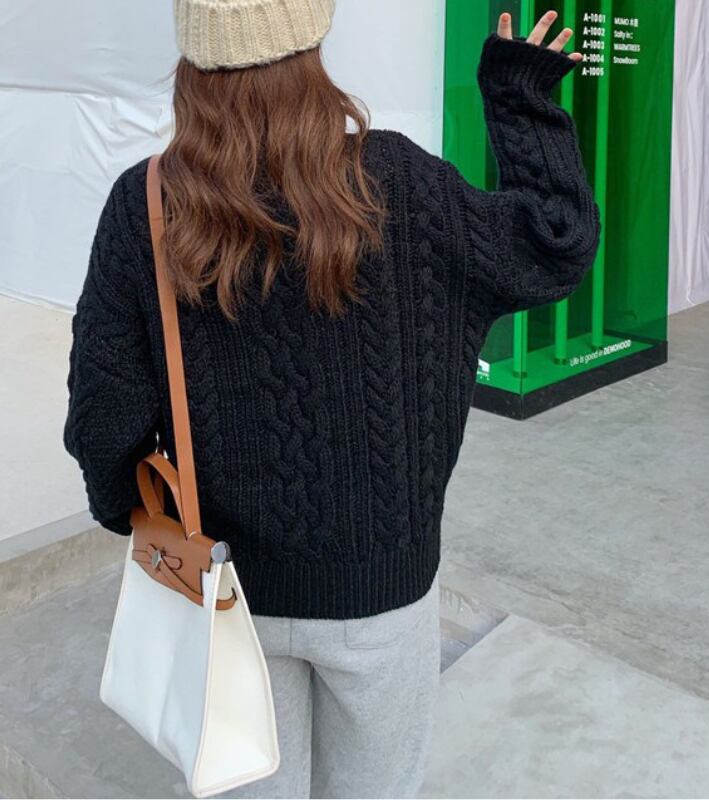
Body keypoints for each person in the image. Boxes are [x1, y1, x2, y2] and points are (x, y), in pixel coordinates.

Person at [63, 2, 599, 797]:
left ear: (193, 64)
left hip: (227, 592)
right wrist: (520, 98)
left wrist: (131, 514)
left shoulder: (146, 205)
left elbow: (104, 412)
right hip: (385, 597)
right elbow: (554, 243)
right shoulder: (403, 185)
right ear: (312, 43)